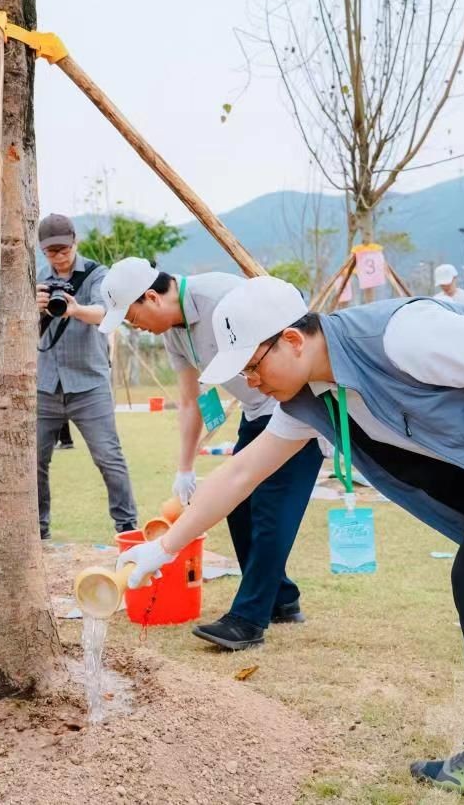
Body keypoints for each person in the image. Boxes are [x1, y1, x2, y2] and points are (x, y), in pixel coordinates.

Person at [118, 276, 464, 797]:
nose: (251, 384)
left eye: (253, 367)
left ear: (291, 339)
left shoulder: (403, 335)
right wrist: (163, 548)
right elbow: (240, 472)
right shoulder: (313, 397)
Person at [99, 257, 323, 650]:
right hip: (259, 414)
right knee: (237, 507)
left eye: (133, 318)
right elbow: (191, 401)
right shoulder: (173, 333)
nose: (136, 328)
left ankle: (248, 619)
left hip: (297, 407)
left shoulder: (222, 295)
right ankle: (282, 599)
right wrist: (184, 468)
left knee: (271, 509)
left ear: (151, 297)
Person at [36, 213, 138, 539]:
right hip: (44, 384)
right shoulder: (34, 278)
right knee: (33, 463)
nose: (60, 256)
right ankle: (39, 530)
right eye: (52, 251)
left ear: (75, 242)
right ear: (42, 250)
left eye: (64, 248)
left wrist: (74, 309)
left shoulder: (97, 274)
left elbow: (106, 313)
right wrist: (32, 306)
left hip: (89, 383)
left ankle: (126, 527)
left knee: (109, 458)